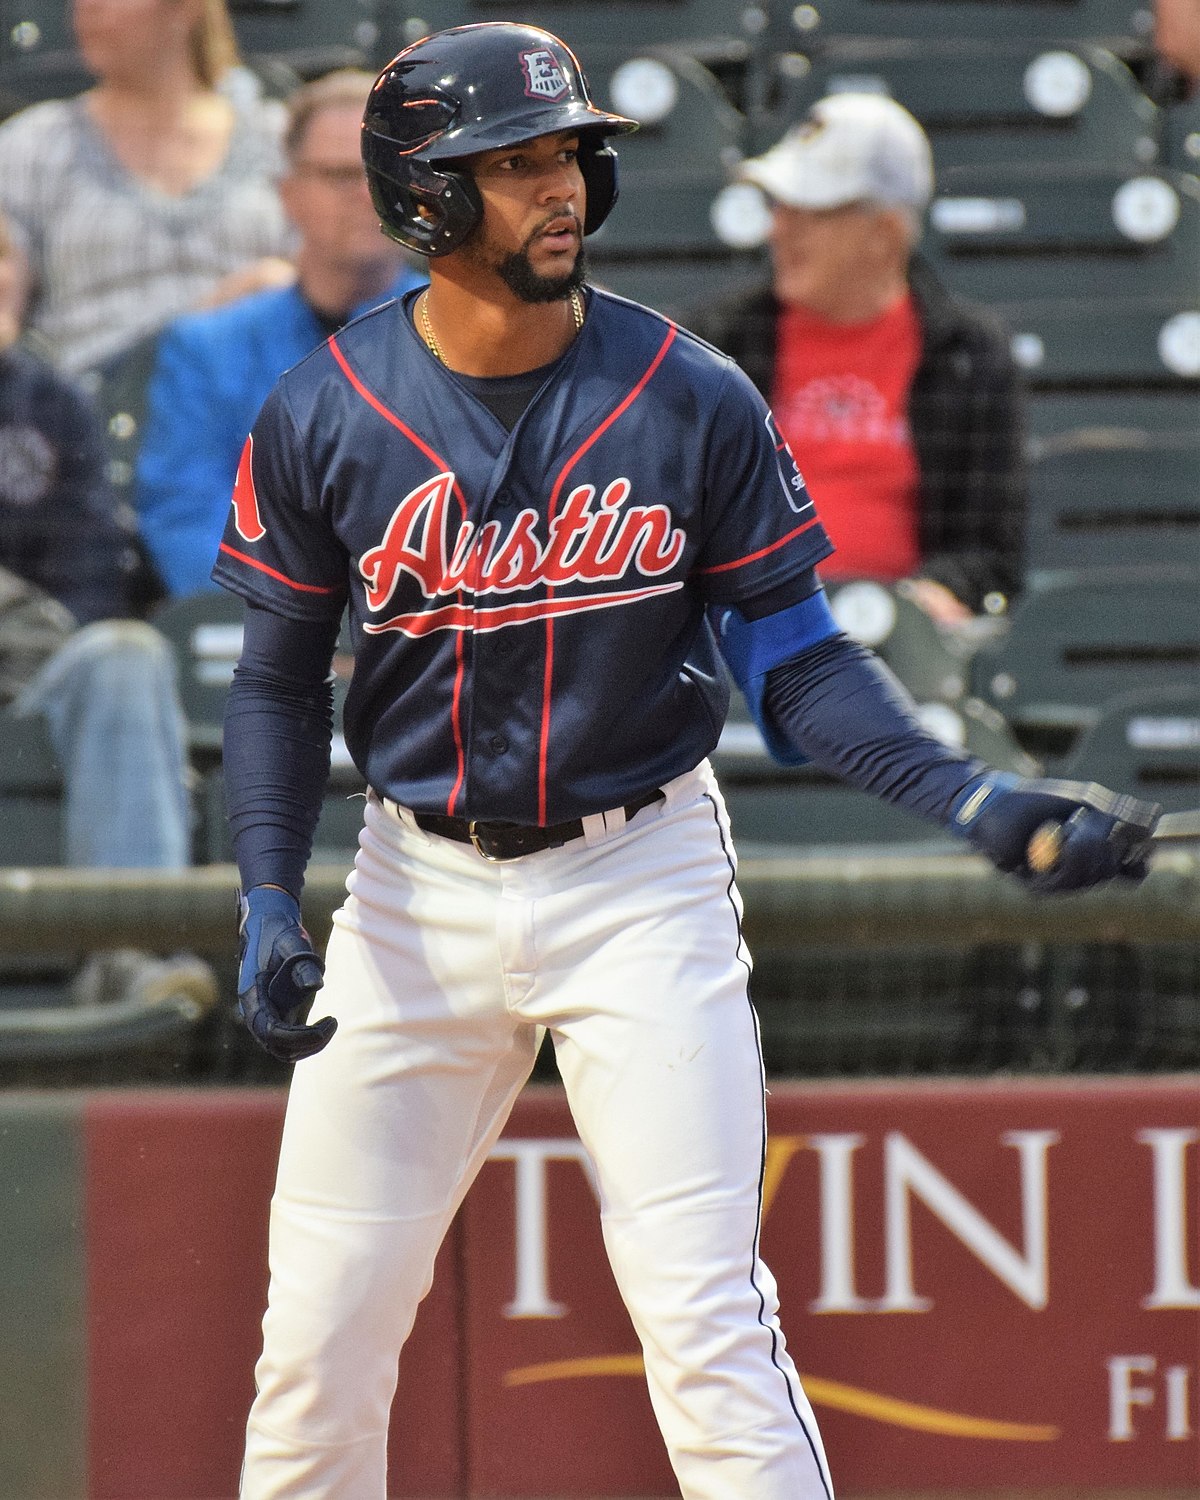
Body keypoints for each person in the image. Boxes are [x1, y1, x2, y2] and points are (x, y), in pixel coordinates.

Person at [215, 24, 1159, 1499]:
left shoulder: (689, 392)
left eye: (565, 157)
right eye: (510, 166)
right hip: (410, 894)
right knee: (319, 1344)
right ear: (421, 199)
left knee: (707, 1324)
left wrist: (972, 797)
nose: (558, 192)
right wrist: (271, 892)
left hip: (637, 874)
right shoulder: (327, 410)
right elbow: (275, 684)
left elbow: (798, 668)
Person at [687, 93, 1026, 627]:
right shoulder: (716, 342)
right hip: (745, 630)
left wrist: (938, 595)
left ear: (885, 234)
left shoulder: (968, 352)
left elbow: (988, 550)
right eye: (779, 206)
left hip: (899, 647)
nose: (779, 228)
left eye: (812, 211)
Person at [0, 211, 214, 1007]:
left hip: (31, 662)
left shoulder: (49, 401)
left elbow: (92, 574)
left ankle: (125, 951)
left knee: (126, 653)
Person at [134, 68, 426, 598]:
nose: (365, 195)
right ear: (288, 194)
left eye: (382, 171)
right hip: (256, 642)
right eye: (341, 175)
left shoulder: (473, 333)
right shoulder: (206, 349)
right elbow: (185, 519)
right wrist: (295, 621)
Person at [0, 0, 291, 379]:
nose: (88, 9)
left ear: (185, 8)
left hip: (252, 402)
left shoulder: (278, 138)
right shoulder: (32, 145)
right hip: (93, 412)